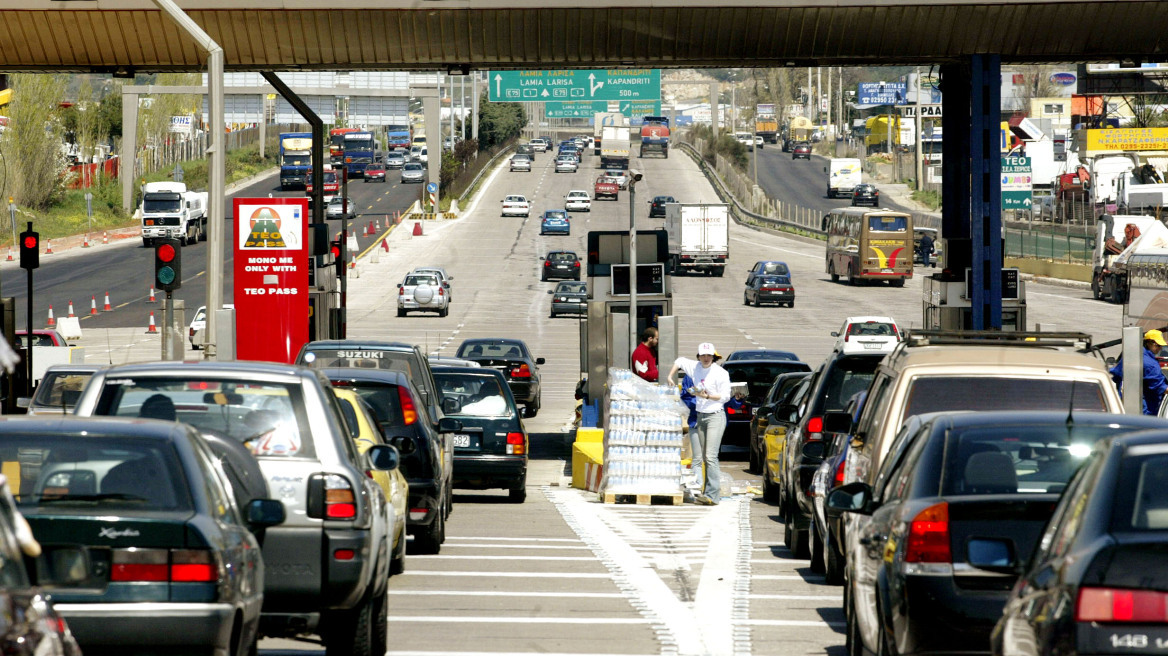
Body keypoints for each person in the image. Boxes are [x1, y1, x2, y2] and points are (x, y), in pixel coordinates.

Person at [667, 342, 734, 505]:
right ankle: (707, 492)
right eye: (703, 355)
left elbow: (726, 396)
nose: (705, 358)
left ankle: (713, 495)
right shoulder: (695, 367)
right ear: (698, 357)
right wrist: (670, 376)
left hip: (715, 416)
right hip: (701, 416)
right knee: (704, 456)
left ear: (714, 357)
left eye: (709, 355)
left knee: (711, 456)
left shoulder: (721, 373)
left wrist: (707, 397)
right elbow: (680, 360)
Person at [1109, 329, 1168, 415]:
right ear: (1149, 343)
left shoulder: (1132, 355)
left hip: (1130, 405)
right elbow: (1160, 387)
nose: (1160, 348)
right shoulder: (1150, 365)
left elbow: (1116, 374)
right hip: (1147, 409)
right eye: (1158, 345)